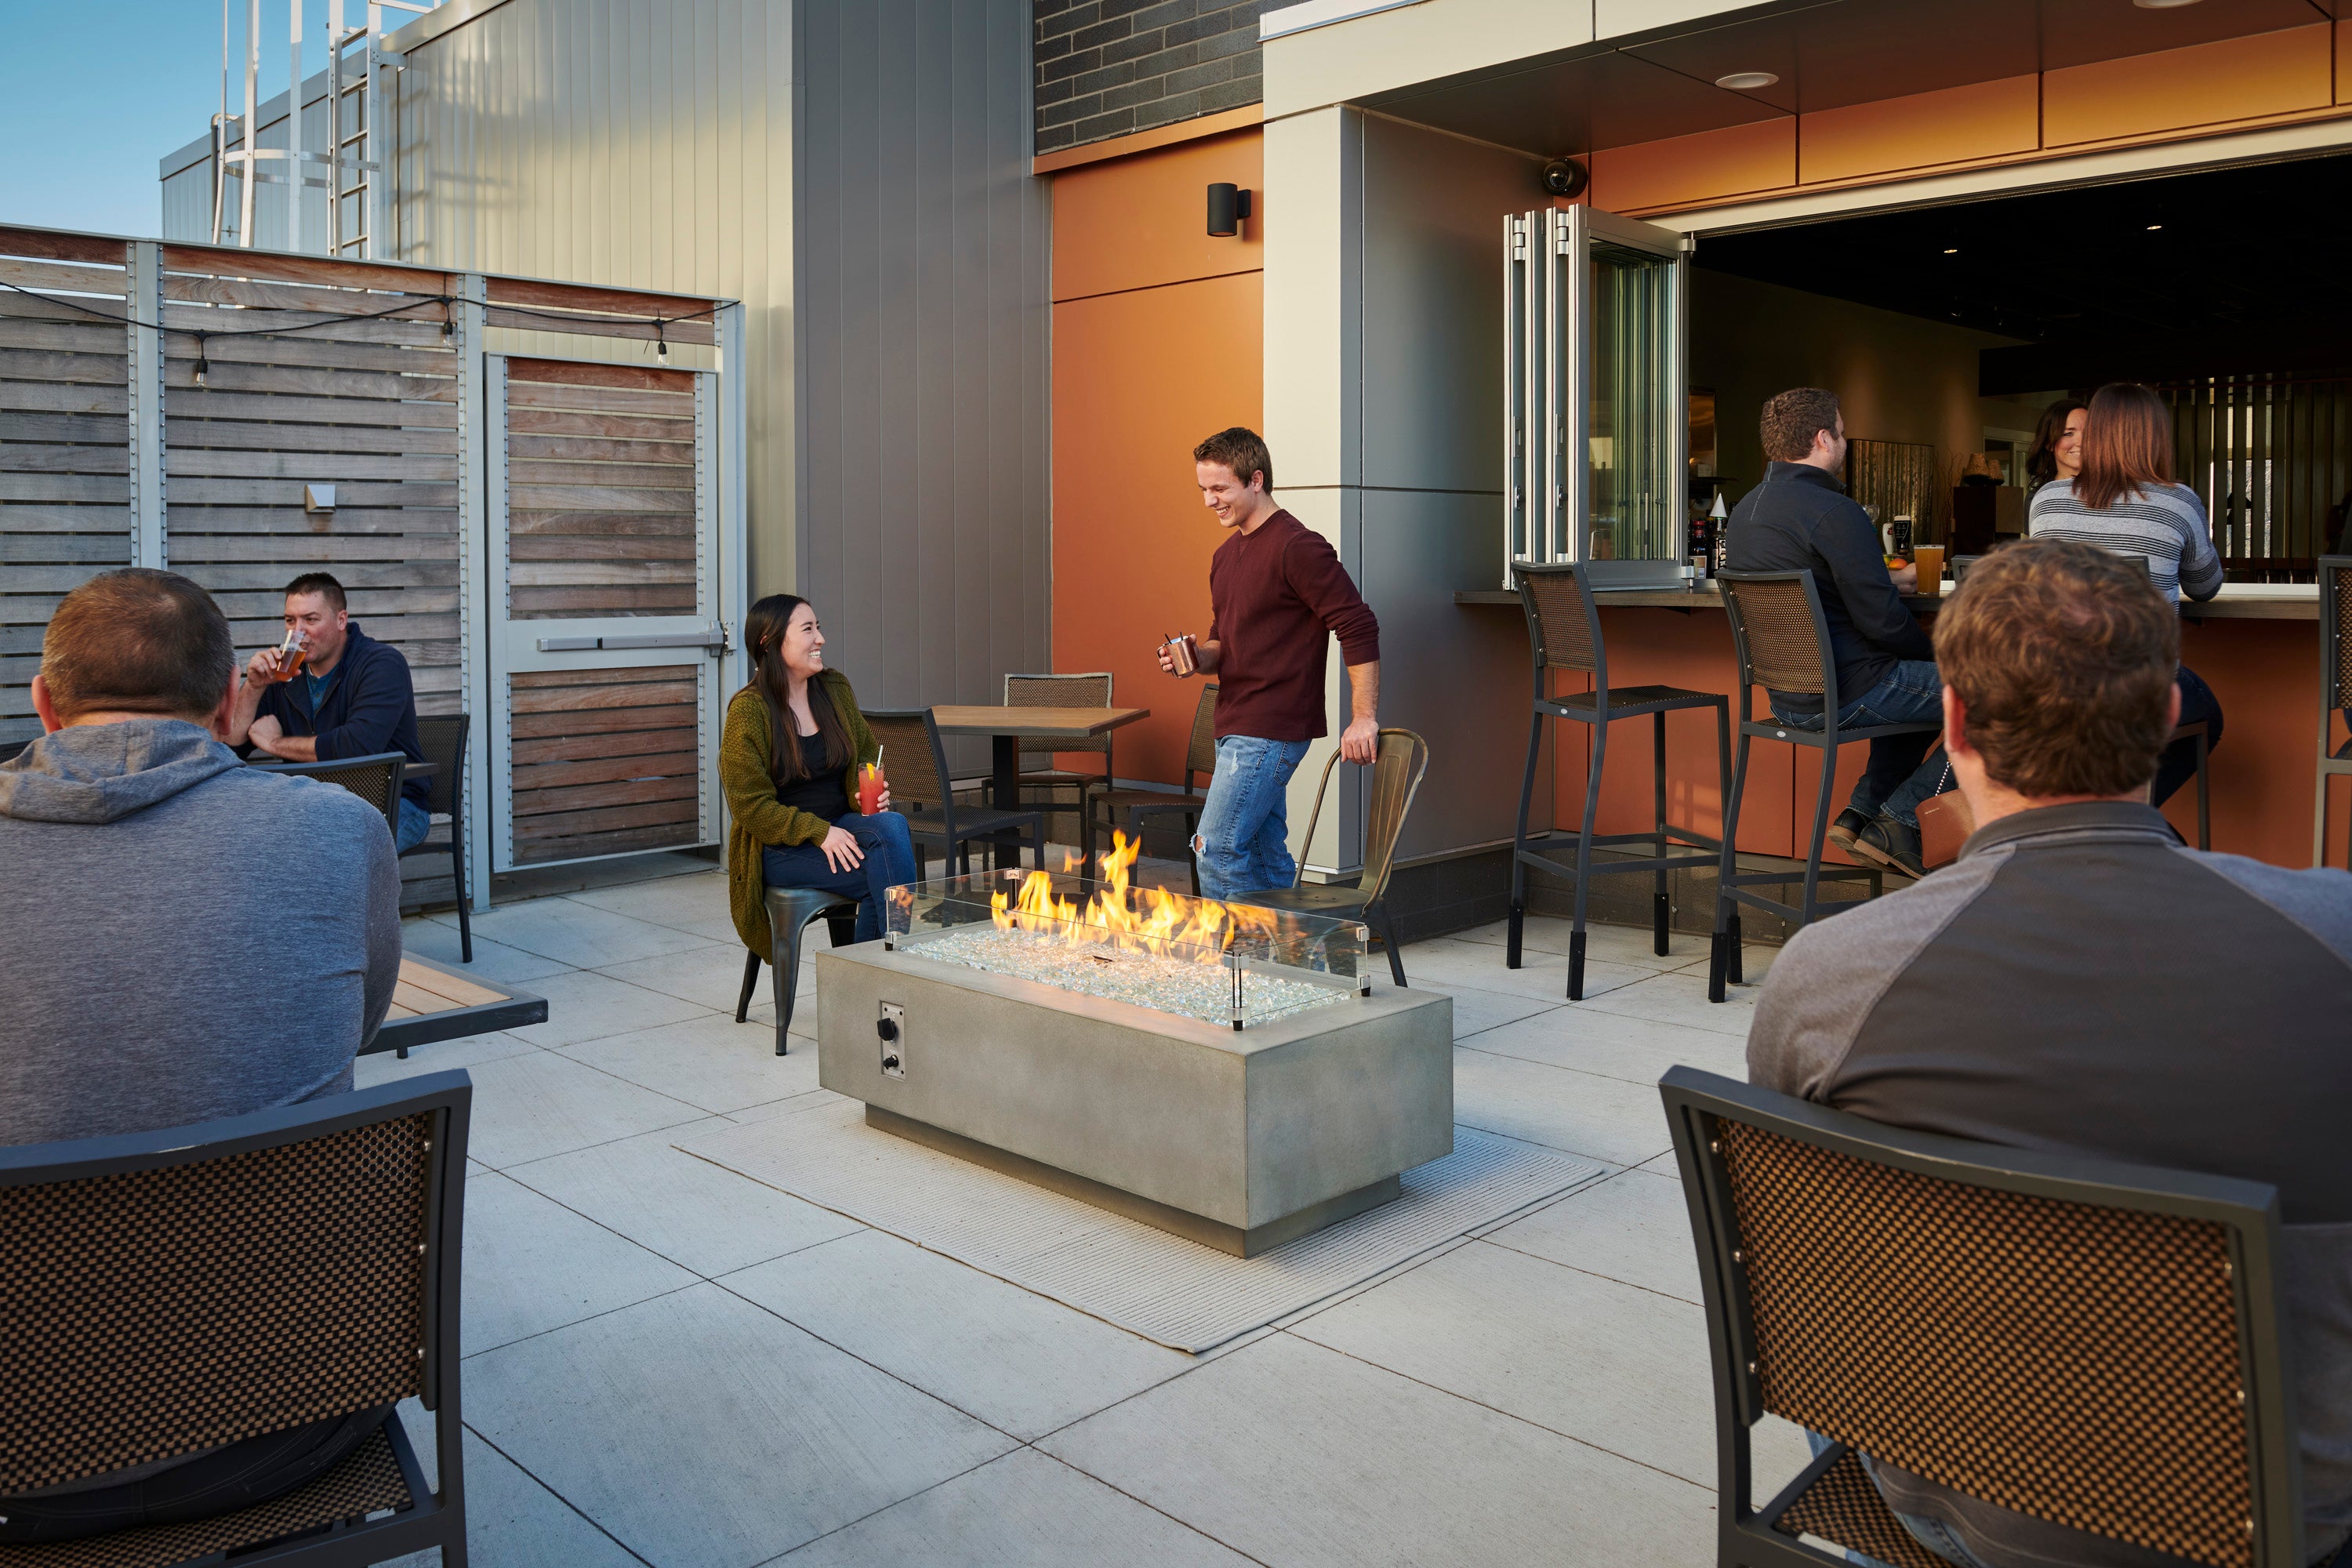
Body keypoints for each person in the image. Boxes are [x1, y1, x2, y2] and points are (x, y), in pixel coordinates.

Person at [1748, 539, 2352, 1568]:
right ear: (2169, 721)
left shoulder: (1829, 979)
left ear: (1952, 726)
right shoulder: (2336, 941)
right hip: (2297, 1519)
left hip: (1954, 1507)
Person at [0, 567, 402, 1543]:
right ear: (228, 700)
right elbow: (359, 1024)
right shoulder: (343, 830)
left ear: (45, 704)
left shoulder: (370, 684)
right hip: (288, 1419)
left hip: (24, 1448)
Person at [1724, 387, 1947, 877]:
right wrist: (1939, 659)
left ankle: (1860, 815)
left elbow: (1813, 574)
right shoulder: (1835, 512)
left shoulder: (1747, 511)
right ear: (1823, 439)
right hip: (1851, 691)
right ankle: (1899, 820)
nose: (1845, 444)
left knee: (1920, 698)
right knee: (1997, 696)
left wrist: (1885, 577)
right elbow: (1885, 623)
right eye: (1843, 434)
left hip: (1787, 697)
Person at [1156, 426, 1381, 901]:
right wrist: (1197, 658)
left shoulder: (1298, 546)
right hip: (1235, 724)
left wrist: (1363, 719)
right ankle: (1296, 964)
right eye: (1203, 490)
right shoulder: (1225, 555)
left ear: (1256, 480)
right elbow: (1227, 643)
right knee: (1263, 855)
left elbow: (1358, 626)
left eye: (1220, 489)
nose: (1209, 501)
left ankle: (1242, 970)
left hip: (1271, 729)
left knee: (1213, 849)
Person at [2028, 382, 2225, 808]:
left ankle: (2104, 819)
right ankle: (2122, 817)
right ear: (2156, 438)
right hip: (2137, 688)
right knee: (2208, 714)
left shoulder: (2048, 500)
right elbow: (2205, 587)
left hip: (2056, 684)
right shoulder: (2179, 501)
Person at [720, 593, 915, 963]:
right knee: (891, 877)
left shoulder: (833, 689)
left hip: (841, 828)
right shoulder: (748, 712)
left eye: (819, 627)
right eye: (808, 629)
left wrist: (863, 792)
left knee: (892, 827)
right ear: (770, 642)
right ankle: (888, 970)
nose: (820, 639)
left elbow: (865, 753)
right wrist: (819, 832)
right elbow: (751, 807)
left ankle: (872, 975)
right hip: (781, 848)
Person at [224, 571, 432, 851]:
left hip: (390, 804)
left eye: (311, 620)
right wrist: (254, 686)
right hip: (314, 804)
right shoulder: (285, 674)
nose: (297, 632)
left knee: (326, 853)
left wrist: (275, 744)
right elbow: (232, 748)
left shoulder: (381, 664)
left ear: (341, 620)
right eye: (290, 620)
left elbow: (355, 748)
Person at [2021, 396, 2085, 495]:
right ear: (2049, 443)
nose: (2082, 442)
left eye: (2089, 433)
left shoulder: (2112, 492)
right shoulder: (2042, 497)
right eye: (2068, 434)